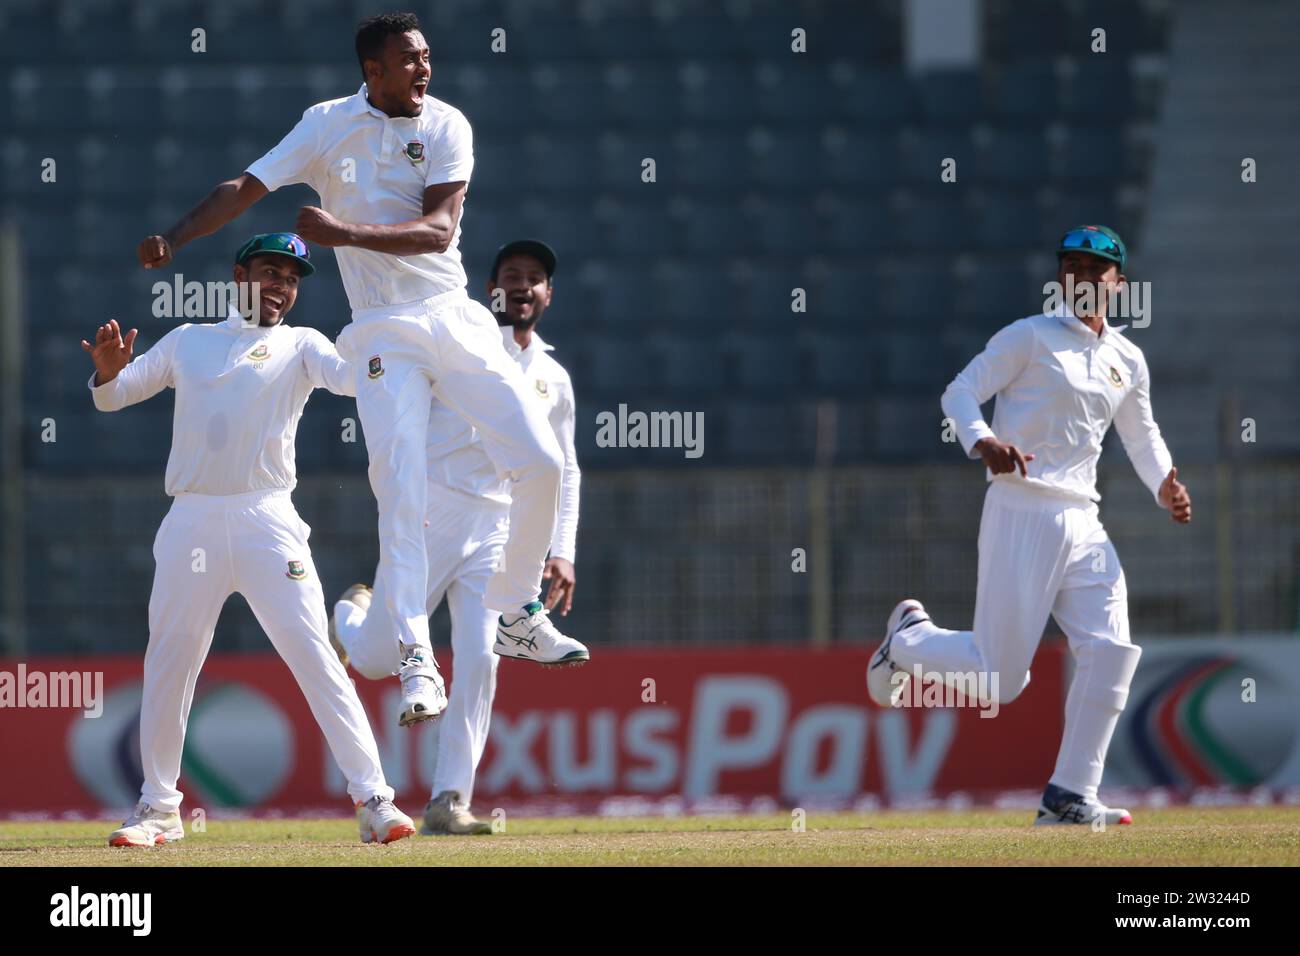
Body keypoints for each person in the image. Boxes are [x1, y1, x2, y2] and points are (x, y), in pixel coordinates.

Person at [135, 12, 588, 731]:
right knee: (401, 486)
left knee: (540, 462)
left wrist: (343, 232)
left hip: (452, 312)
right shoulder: (325, 124)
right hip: (380, 330)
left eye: (427, 56)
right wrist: (177, 235)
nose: (425, 69)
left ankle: (516, 610)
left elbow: (439, 230)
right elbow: (245, 188)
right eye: (409, 60)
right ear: (372, 71)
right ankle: (415, 660)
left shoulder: (446, 125)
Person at [87, 233, 415, 846]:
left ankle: (375, 802)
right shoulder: (190, 340)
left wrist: (382, 339)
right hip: (193, 518)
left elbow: (353, 381)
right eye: (270, 273)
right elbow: (116, 396)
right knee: (171, 661)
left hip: (268, 519)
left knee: (315, 656)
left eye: (291, 280)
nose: (282, 289)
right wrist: (106, 375)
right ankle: (158, 810)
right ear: (240, 274)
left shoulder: (301, 344)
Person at [868, 225, 1192, 826]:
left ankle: (1068, 796)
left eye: (1098, 269)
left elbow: (1142, 435)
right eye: (1073, 266)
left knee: (1112, 649)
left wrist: (1165, 483)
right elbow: (961, 392)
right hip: (1021, 508)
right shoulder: (1030, 336)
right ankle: (907, 642)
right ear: (1062, 277)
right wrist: (983, 439)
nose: (1085, 277)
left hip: (1083, 517)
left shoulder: (1127, 358)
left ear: (1119, 284)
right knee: (999, 681)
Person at [332, 239, 585, 835]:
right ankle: (348, 615)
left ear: (549, 294)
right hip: (433, 514)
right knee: (373, 661)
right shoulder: (455, 338)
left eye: (535, 278)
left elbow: (564, 469)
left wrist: (562, 549)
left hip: (496, 526)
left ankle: (449, 799)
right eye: (511, 276)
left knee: (481, 659)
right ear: (489, 285)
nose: (522, 286)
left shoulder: (553, 377)